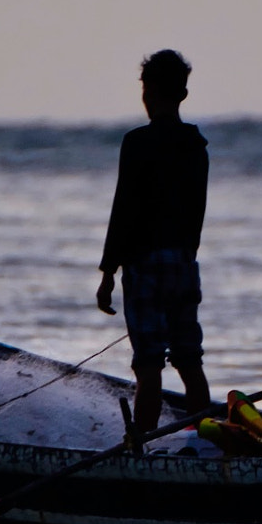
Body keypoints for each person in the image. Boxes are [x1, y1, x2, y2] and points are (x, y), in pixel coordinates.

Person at [97, 50, 211, 433]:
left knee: (148, 365)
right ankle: (206, 441)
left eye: (146, 88)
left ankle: (141, 444)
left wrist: (108, 271)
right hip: (182, 262)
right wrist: (186, 254)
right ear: (183, 94)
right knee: (189, 360)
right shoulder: (196, 144)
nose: (144, 97)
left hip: (144, 263)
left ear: (150, 93)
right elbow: (198, 209)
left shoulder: (137, 142)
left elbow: (123, 207)